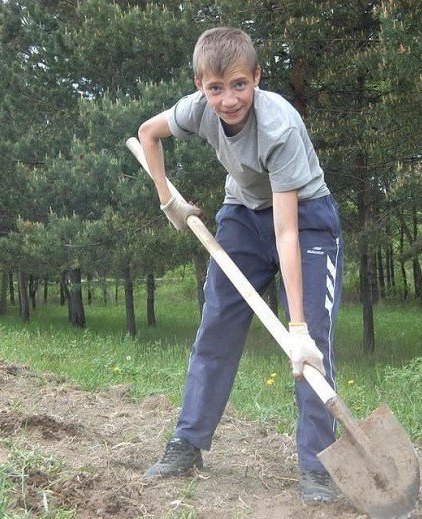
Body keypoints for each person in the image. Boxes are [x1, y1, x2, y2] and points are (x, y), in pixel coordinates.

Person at [136, 27, 344, 503]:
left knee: (312, 345)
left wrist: (297, 327)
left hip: (306, 220)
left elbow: (287, 231)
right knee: (216, 329)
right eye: (215, 88)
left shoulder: (280, 127)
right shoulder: (196, 110)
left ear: (256, 77)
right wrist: (170, 201)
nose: (228, 100)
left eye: (239, 85)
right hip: (241, 217)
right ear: (199, 85)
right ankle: (186, 444)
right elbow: (148, 134)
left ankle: (317, 467)